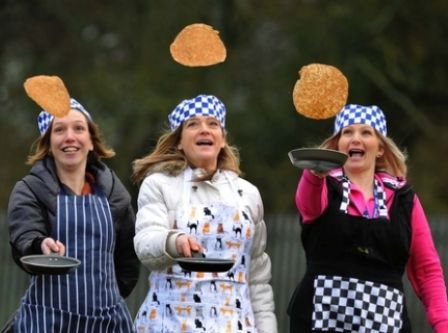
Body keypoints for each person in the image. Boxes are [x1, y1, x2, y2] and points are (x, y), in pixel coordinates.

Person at [287, 104, 448, 332]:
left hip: (385, 323)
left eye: (366, 132)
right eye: (347, 132)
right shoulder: (323, 185)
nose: (355, 139)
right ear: (337, 145)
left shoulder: (404, 199)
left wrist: (443, 325)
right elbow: (308, 204)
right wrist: (315, 171)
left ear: (380, 148)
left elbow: (426, 271)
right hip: (321, 320)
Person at [132, 94, 278, 333]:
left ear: (222, 139)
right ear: (178, 141)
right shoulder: (158, 184)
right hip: (169, 325)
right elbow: (146, 243)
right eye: (193, 124)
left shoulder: (248, 194)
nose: (204, 130)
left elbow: (258, 278)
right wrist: (173, 241)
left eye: (213, 124)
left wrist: (267, 329)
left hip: (235, 326)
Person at [6, 98, 139, 332]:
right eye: (59, 130)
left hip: (108, 323)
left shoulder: (115, 195)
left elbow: (128, 261)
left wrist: (102, 301)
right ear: (48, 144)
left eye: (79, 128)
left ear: (91, 141)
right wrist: (40, 245)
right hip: (46, 321)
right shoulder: (29, 189)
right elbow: (24, 236)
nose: (70, 137)